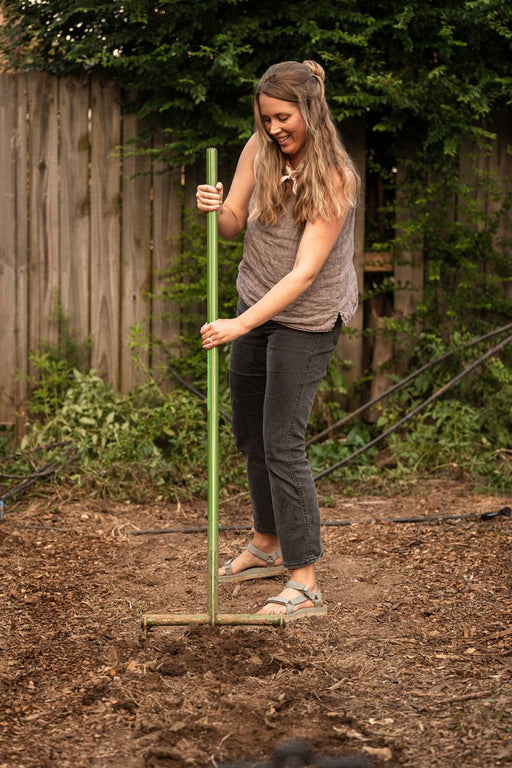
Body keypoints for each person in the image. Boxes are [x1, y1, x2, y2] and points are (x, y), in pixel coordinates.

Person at [196, 60, 359, 620]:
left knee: (282, 440)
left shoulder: (334, 175)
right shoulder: (258, 148)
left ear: (310, 111)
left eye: (283, 118)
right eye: (266, 119)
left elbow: (305, 273)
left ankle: (306, 579)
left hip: (307, 316)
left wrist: (239, 325)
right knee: (249, 431)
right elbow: (233, 222)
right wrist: (218, 209)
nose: (273, 129)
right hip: (255, 299)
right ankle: (266, 542)